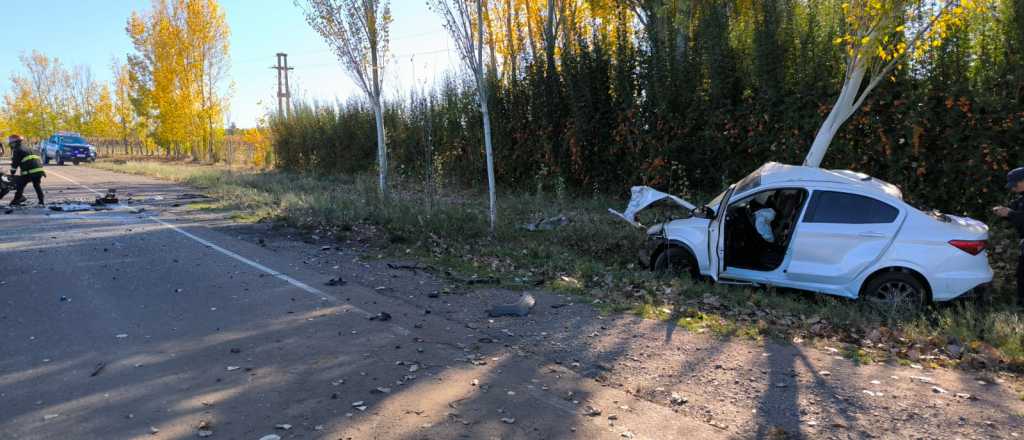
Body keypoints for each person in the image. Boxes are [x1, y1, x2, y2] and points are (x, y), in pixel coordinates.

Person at [993, 166, 1024, 305]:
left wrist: (1009, 214)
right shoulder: (1021, 198)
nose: (1013, 188)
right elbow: (1015, 210)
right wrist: (1003, 212)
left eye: (1015, 184)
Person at [7, 134, 45, 206]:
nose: (11, 145)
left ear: (15, 142)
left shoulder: (17, 149)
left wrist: (12, 173)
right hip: (39, 171)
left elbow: (15, 163)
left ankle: (16, 200)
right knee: (37, 185)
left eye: (11, 143)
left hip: (30, 172)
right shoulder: (28, 148)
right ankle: (41, 201)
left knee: (20, 185)